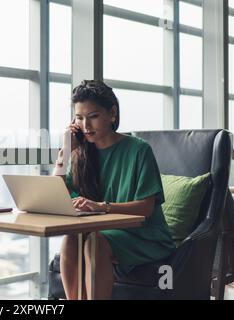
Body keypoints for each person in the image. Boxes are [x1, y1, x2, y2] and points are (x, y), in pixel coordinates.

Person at [53, 80, 175, 300]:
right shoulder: (81, 154)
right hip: (101, 232)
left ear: (112, 114)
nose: (86, 125)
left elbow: (146, 208)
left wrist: (101, 207)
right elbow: (56, 195)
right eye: (79, 118)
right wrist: (64, 153)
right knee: (71, 238)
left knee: (94, 243)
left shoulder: (139, 150)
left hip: (144, 235)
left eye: (93, 116)